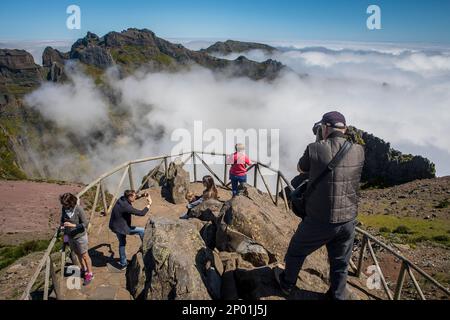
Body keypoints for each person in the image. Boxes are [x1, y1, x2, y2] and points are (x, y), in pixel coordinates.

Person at [275, 111, 365, 300]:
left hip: (320, 219)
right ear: (345, 129)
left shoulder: (315, 148)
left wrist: (317, 142)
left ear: (324, 128)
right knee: (340, 263)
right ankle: (337, 295)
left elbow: (301, 168)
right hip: (348, 219)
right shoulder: (359, 151)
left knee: (296, 251)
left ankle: (286, 284)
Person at [109, 190, 152, 269]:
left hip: (115, 226)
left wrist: (143, 195)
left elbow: (134, 197)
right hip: (122, 228)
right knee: (142, 231)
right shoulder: (126, 207)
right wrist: (149, 204)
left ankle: (123, 264)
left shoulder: (122, 199)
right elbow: (141, 213)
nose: (135, 197)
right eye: (134, 196)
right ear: (129, 197)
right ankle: (146, 248)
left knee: (122, 243)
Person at [59, 193, 94, 285]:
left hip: (80, 237)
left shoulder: (78, 209)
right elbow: (62, 220)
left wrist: (72, 225)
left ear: (71, 202)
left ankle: (90, 274)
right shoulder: (64, 208)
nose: (64, 206)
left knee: (85, 255)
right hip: (70, 237)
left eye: (66, 204)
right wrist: (64, 235)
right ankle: (83, 269)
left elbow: (85, 224)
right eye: (63, 204)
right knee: (78, 254)